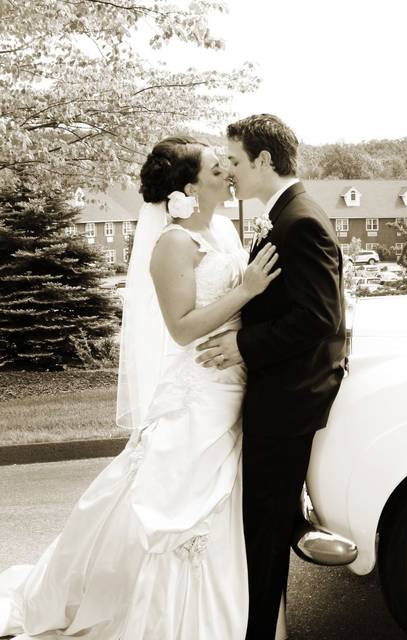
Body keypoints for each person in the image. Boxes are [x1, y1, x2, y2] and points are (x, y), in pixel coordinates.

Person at [0, 136, 281, 639]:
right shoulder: (173, 242)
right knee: (177, 500)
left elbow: (242, 312)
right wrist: (245, 290)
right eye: (218, 168)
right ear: (190, 185)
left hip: (235, 380)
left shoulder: (223, 230)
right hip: (199, 388)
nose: (230, 174)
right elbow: (182, 327)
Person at [195, 114, 347, 639]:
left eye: (234, 161)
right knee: (266, 517)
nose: (230, 172)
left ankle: (259, 631)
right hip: (279, 389)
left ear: (263, 160)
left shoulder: (299, 221)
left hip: (289, 397)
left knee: (262, 526)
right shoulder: (285, 214)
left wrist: (241, 345)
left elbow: (319, 318)